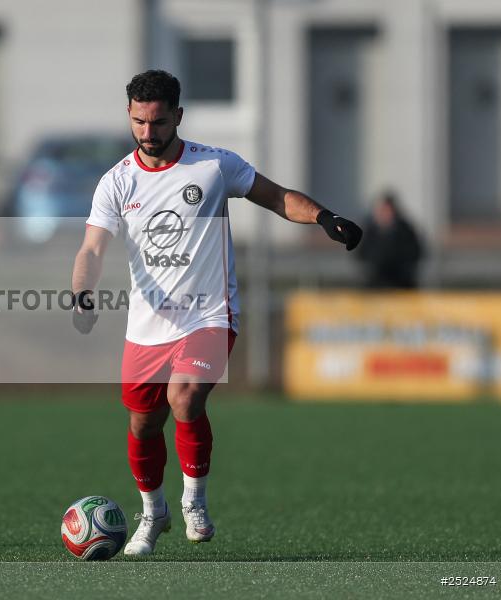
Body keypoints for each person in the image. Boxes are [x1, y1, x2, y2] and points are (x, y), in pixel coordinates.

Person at [69, 70, 362, 556]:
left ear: (178, 117)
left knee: (184, 399)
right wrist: (82, 293)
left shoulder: (213, 166)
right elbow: (92, 249)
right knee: (143, 424)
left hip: (209, 313)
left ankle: (194, 502)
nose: (148, 133)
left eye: (159, 122)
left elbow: (274, 195)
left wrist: (325, 218)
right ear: (129, 116)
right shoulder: (116, 182)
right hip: (147, 324)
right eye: (140, 122)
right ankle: (153, 512)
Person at [357, 191, 423, 288]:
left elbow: (415, 253)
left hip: (400, 285)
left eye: (387, 210)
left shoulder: (405, 230)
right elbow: (361, 254)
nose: (384, 213)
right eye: (382, 210)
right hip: (375, 284)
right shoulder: (370, 231)